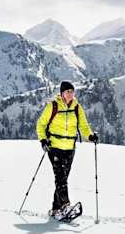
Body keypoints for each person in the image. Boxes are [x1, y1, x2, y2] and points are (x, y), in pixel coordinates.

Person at [35, 81, 98, 219]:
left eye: (72, 91)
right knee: (60, 178)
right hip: (54, 147)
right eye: (67, 91)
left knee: (63, 178)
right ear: (62, 93)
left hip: (70, 148)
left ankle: (55, 209)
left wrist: (90, 136)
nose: (70, 94)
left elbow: (84, 126)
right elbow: (41, 124)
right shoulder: (53, 106)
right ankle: (65, 206)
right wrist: (43, 140)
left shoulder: (77, 108)